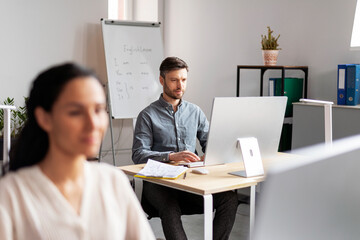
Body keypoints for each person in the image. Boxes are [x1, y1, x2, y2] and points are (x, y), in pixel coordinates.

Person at [0, 63, 155, 240]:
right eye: (75, 112)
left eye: (98, 110)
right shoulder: (11, 195)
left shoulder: (114, 181)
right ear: (44, 118)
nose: (93, 124)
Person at [132, 57, 239, 240]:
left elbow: (210, 142)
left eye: (183, 79)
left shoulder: (195, 111)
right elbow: (138, 154)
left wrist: (212, 154)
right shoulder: (147, 115)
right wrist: (171, 156)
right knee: (170, 206)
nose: (179, 85)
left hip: (190, 181)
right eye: (174, 80)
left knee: (229, 199)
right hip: (159, 183)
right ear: (162, 80)